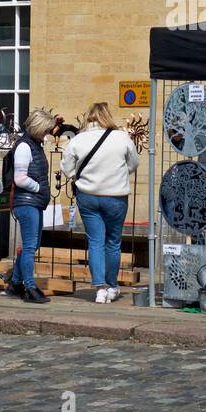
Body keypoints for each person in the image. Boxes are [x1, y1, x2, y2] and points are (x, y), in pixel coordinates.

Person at [62, 102, 139, 303]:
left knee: (95, 242)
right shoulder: (121, 138)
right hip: (115, 196)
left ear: (89, 117)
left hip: (88, 195)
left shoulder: (78, 140)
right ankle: (112, 285)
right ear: (107, 116)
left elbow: (68, 169)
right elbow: (133, 164)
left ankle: (100, 288)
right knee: (113, 242)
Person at [7, 108, 58, 303]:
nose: (47, 134)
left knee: (33, 245)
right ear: (37, 128)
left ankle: (15, 283)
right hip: (26, 203)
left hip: (33, 202)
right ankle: (29, 287)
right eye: (45, 130)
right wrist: (38, 188)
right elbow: (19, 178)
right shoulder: (24, 147)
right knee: (29, 247)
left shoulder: (34, 144)